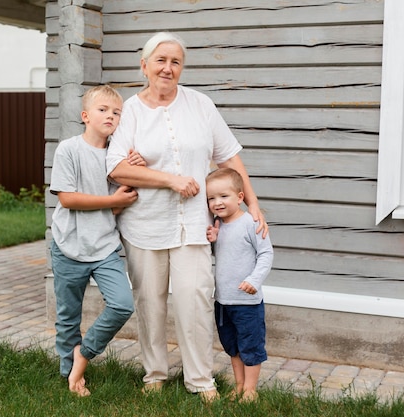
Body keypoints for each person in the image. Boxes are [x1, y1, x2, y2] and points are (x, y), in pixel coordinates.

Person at [106, 31, 269, 402]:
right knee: (149, 300)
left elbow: (228, 156)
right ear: (144, 65)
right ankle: (155, 374)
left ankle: (200, 380)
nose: (168, 68)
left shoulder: (200, 104)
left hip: (195, 224)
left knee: (194, 299)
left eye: (175, 61)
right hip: (144, 223)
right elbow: (116, 167)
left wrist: (253, 202)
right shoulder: (130, 110)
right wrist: (171, 181)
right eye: (160, 60)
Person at [50, 85, 144, 397]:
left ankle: (84, 354)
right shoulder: (69, 149)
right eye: (103, 110)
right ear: (86, 116)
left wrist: (135, 170)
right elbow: (67, 199)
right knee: (68, 317)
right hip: (69, 246)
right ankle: (70, 377)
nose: (111, 116)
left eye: (116, 112)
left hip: (104, 247)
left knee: (122, 304)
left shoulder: (117, 156)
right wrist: (111, 199)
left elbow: (122, 201)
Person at [205, 167, 273, 402]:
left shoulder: (251, 222)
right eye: (211, 198)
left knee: (250, 346)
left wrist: (254, 280)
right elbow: (225, 256)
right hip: (223, 300)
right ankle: (239, 385)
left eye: (223, 196)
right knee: (232, 346)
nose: (217, 202)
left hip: (247, 302)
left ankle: (251, 390)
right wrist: (214, 242)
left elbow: (266, 254)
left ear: (240, 197)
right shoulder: (218, 225)